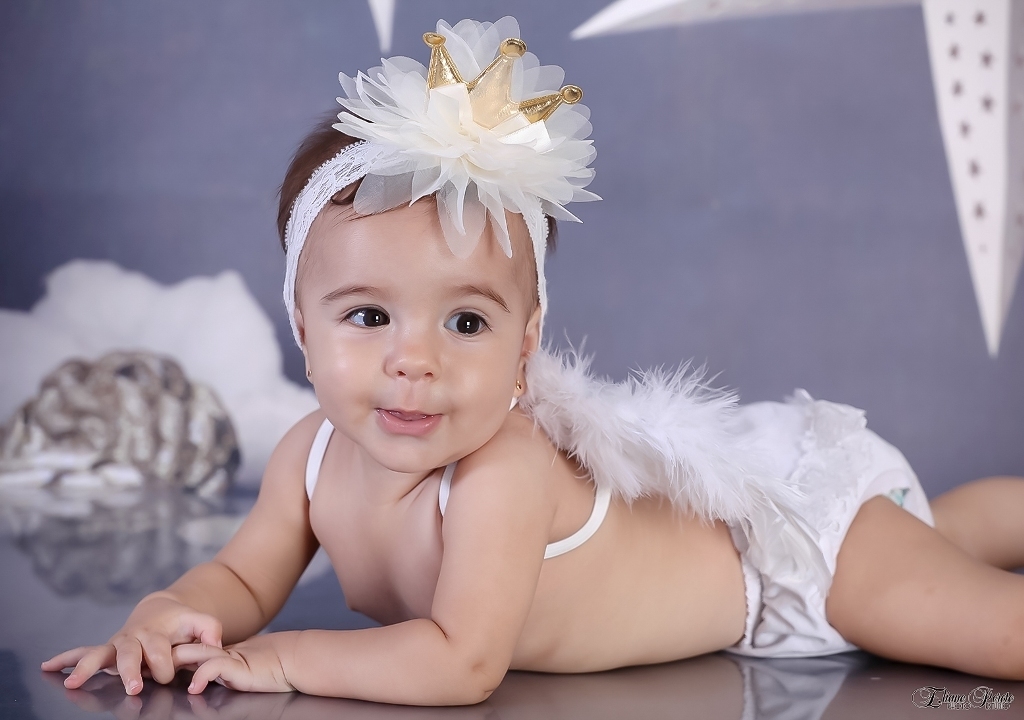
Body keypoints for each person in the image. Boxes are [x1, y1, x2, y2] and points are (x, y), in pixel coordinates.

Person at [43, 16, 1024, 705]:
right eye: (369, 316)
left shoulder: (498, 471)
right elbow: (242, 577)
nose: (414, 361)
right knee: (936, 531)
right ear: (301, 326)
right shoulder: (308, 457)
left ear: (525, 347)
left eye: (465, 323)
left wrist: (284, 661)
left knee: (991, 629)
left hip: (796, 561)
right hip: (800, 552)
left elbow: (461, 663)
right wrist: (173, 611)